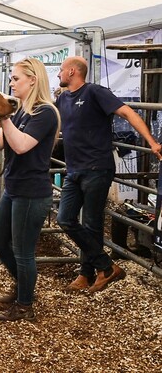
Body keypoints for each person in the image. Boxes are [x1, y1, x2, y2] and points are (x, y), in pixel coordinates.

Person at [55, 56, 162, 293]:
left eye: (61, 70)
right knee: (65, 218)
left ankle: (87, 273)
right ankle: (105, 267)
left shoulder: (94, 92)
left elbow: (127, 113)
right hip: (73, 170)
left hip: (97, 167)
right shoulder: (62, 99)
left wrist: (152, 142)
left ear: (72, 71)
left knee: (92, 223)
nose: (58, 74)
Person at [0, 57, 59, 322]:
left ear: (32, 80)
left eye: (16, 78)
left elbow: (22, 145)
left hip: (32, 192)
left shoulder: (45, 112)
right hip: (14, 188)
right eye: (12, 79)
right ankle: (25, 287)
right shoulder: (23, 111)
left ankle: (25, 305)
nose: (11, 83)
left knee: (23, 252)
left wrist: (4, 117)